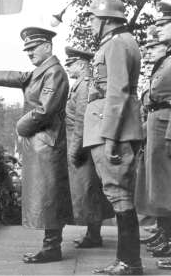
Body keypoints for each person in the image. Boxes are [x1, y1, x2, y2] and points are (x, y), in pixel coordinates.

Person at [0, 26, 73, 263]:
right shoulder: (43, 71)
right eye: (27, 49)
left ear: (47, 46)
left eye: (33, 48)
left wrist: (20, 126)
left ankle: (52, 248)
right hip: (42, 142)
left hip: (47, 142)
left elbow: (45, 109)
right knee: (47, 195)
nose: (29, 53)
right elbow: (21, 77)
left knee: (50, 196)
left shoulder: (54, 72)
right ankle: (51, 246)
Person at [83, 0, 143, 275]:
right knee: (118, 194)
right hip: (114, 128)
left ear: (106, 20)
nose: (91, 23)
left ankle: (129, 262)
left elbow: (117, 91)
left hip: (113, 131)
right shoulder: (120, 42)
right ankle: (126, 261)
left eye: (93, 18)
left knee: (119, 195)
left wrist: (109, 138)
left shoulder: (118, 44)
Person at [64, 46, 114, 248]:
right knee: (88, 191)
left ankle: (94, 236)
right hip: (84, 144)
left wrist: (75, 149)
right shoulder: (79, 84)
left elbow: (81, 121)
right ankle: (92, 234)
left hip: (83, 146)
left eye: (70, 64)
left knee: (89, 191)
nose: (68, 68)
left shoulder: (83, 85)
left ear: (80, 64)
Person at [136, 0, 171, 269]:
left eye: (164, 25)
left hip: (166, 123)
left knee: (166, 184)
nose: (158, 30)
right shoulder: (165, 62)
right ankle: (165, 235)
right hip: (157, 122)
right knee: (159, 185)